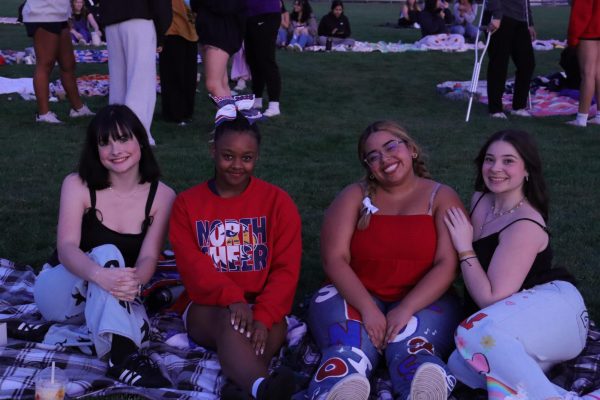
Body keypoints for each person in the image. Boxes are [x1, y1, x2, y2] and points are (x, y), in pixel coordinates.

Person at [306, 121, 464, 400]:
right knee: (349, 349)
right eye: (373, 156)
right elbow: (335, 259)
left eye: (391, 147)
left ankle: (424, 388)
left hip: (425, 298)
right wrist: (368, 309)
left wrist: (405, 308)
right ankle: (337, 389)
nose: (384, 159)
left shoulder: (441, 196)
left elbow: (446, 265)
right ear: (368, 166)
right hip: (353, 294)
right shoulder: (353, 196)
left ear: (411, 149)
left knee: (413, 346)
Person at [33, 105, 176, 387]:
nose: (115, 149)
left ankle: (42, 334)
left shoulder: (163, 195)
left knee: (143, 330)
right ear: (95, 149)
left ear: (140, 140)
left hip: (111, 295)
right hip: (61, 291)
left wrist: (135, 282)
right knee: (109, 253)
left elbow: (149, 256)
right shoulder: (77, 184)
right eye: (104, 142)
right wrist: (101, 275)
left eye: (123, 139)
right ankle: (122, 358)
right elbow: (66, 248)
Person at [444, 130, 588, 399]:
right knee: (460, 366)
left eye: (508, 161)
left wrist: (464, 247)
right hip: (512, 328)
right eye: (490, 159)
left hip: (556, 312)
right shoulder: (481, 200)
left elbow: (491, 299)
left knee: (471, 335)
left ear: (527, 170)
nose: (496, 168)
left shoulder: (524, 225)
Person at [169, 115, 302, 399]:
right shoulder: (187, 204)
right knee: (232, 323)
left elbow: (286, 269)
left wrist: (264, 316)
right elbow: (193, 267)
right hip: (208, 306)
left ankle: (244, 388)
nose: (237, 165)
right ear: (213, 151)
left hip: (265, 303)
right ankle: (265, 388)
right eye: (228, 156)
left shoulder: (278, 202)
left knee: (255, 332)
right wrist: (233, 299)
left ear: (257, 157)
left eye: (247, 157)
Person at [100, 0, 172, 145]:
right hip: (139, 18)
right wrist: (161, 31)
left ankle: (115, 128)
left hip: (112, 19)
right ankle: (134, 133)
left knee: (118, 82)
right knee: (140, 81)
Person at [21, 0, 95, 123]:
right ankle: (43, 114)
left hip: (61, 14)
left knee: (68, 64)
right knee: (45, 64)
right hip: (42, 13)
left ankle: (78, 109)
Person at [190, 0, 248, 123]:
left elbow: (226, 7)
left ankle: (229, 126)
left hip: (222, 33)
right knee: (221, 83)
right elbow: (195, 6)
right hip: (208, 32)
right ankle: (229, 124)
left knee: (213, 84)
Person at [485, 0, 536, 119]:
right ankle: (495, 109)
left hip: (520, 20)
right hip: (500, 16)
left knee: (527, 64)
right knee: (499, 63)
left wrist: (530, 23)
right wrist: (497, 15)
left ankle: (519, 106)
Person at [158, 0, 199, 125]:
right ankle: (174, 112)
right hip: (172, 30)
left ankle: (184, 111)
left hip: (190, 30)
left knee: (188, 74)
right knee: (174, 74)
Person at [245, 0, 284, 117]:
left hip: (267, 13)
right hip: (250, 15)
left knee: (266, 59)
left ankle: (274, 104)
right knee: (252, 59)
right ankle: (257, 99)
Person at [566, 0, 600, 127]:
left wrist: (572, 39)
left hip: (588, 32)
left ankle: (581, 118)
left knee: (588, 75)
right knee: (597, 74)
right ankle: (599, 116)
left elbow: (581, 13)